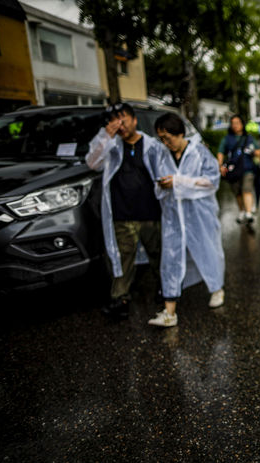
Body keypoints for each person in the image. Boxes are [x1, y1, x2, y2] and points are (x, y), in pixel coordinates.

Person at [147, 112, 226, 327]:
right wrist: (163, 185)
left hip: (200, 215)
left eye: (168, 138)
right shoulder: (163, 154)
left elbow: (212, 181)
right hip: (173, 217)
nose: (165, 142)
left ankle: (217, 288)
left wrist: (179, 181)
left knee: (208, 250)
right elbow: (160, 183)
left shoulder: (199, 152)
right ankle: (169, 311)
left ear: (179, 133)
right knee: (170, 258)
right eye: (161, 139)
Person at [86, 103, 162, 319]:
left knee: (158, 254)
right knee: (122, 258)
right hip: (122, 215)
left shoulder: (151, 146)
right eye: (114, 119)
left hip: (150, 214)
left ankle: (166, 290)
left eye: (123, 118)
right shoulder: (111, 146)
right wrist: (105, 137)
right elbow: (92, 163)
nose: (119, 123)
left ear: (134, 119)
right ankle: (120, 298)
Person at [217, 114, 260, 224]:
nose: (235, 125)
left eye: (237, 123)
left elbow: (258, 152)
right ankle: (242, 211)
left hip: (248, 169)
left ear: (242, 124)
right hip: (233, 170)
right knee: (237, 193)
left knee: (247, 189)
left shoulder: (249, 138)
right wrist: (220, 165)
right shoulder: (227, 139)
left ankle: (248, 213)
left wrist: (257, 155)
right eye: (233, 123)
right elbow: (221, 152)